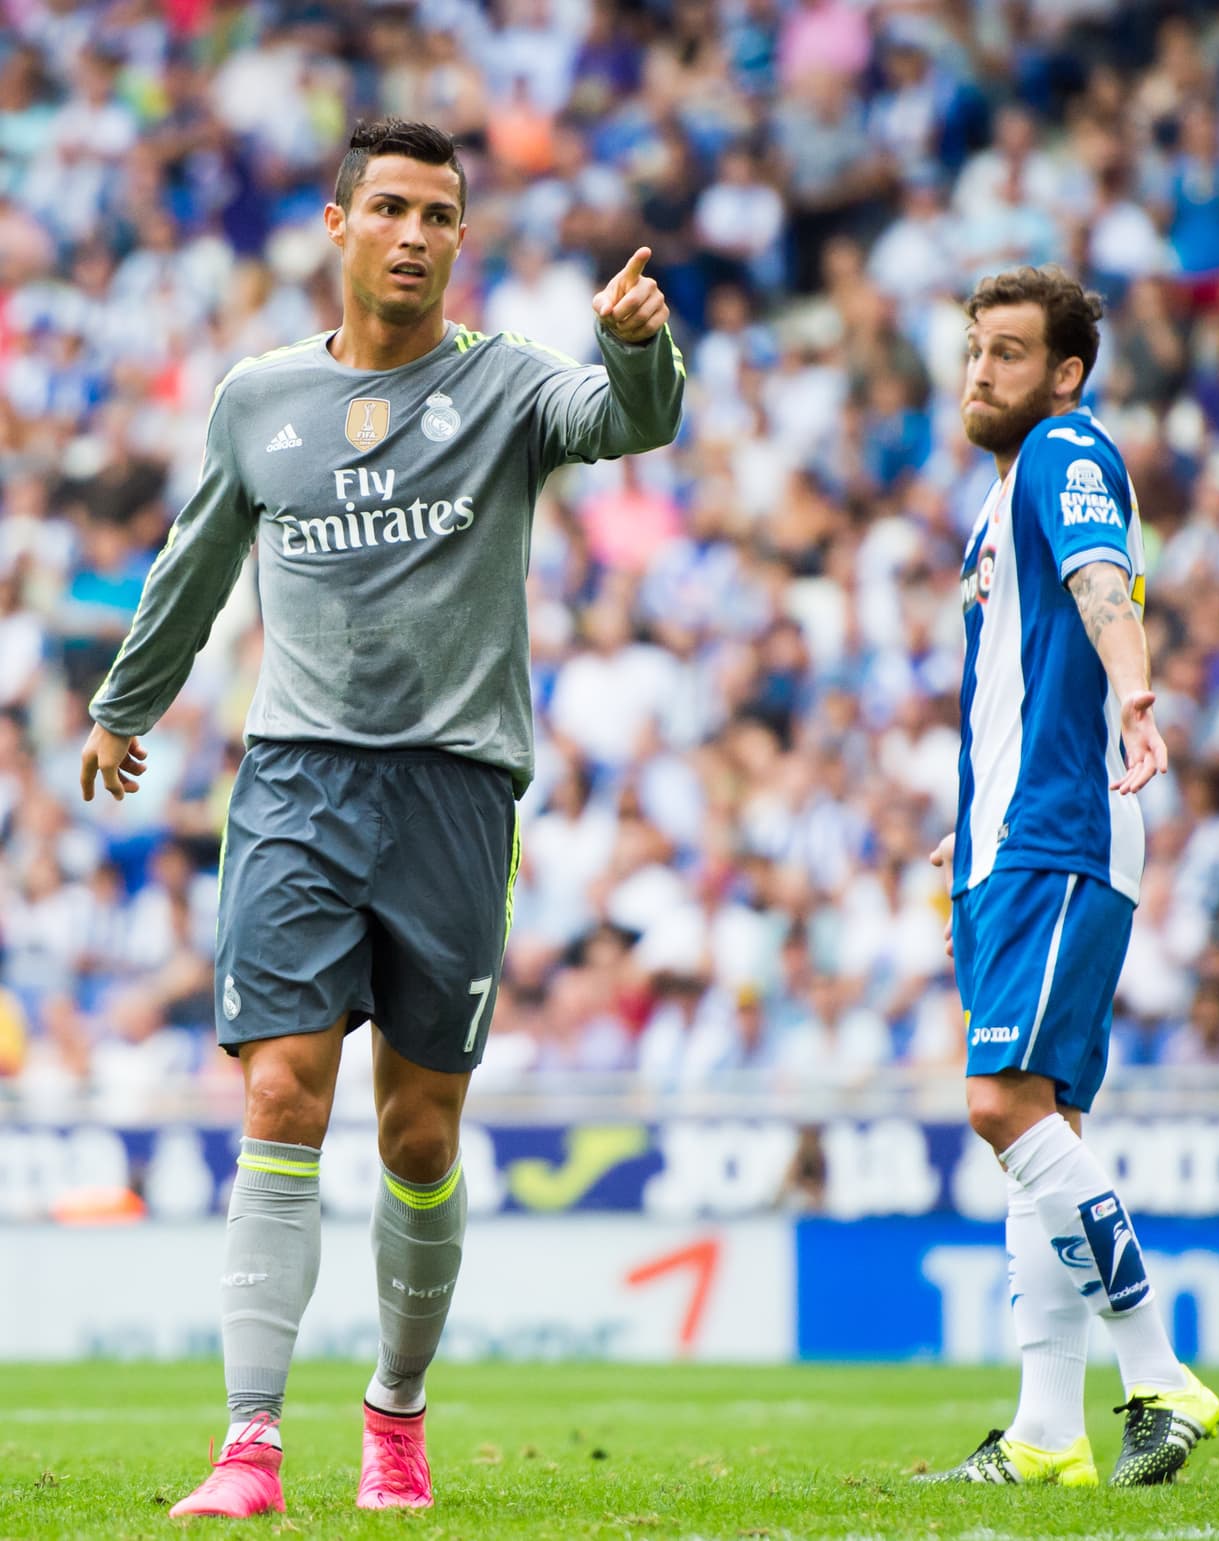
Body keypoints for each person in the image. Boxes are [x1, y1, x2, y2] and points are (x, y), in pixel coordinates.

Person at [80, 118, 684, 1519]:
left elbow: (629, 422)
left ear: (462, 243)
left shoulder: (511, 384)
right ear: (338, 222)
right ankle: (249, 1445)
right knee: (282, 1090)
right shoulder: (260, 399)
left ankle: (395, 1416)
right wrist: (128, 704)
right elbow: (195, 561)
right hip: (296, 779)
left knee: (419, 1136)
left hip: (458, 791)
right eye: (394, 208)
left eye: (442, 217)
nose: (417, 235)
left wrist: (637, 346)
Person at [919, 266, 1219, 1487]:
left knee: (999, 1105)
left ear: (1063, 372)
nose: (980, 372)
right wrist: (965, 825)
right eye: (973, 351)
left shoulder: (1064, 449)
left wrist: (1136, 684)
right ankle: (1047, 1429)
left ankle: (1156, 1369)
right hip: (1009, 829)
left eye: (1006, 352)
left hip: (1058, 831)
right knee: (1040, 1124)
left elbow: (1104, 582)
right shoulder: (996, 499)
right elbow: (1007, 691)